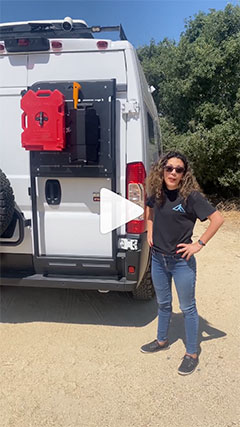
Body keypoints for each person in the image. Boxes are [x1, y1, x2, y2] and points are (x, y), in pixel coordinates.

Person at [140, 151, 224, 375]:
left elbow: (218, 219)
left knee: (187, 307)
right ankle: (161, 340)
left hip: (181, 262)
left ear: (184, 174)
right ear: (162, 169)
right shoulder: (157, 192)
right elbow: (148, 208)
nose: (173, 173)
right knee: (164, 304)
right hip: (158, 259)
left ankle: (191, 353)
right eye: (169, 168)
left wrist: (199, 244)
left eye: (179, 169)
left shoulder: (191, 197)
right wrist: (149, 229)